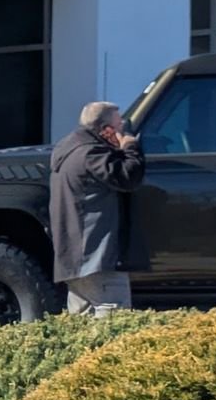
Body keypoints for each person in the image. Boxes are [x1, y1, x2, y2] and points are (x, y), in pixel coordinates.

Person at [49, 99, 147, 314]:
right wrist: (130, 147)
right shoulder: (92, 154)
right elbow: (128, 177)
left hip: (76, 261)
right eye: (120, 125)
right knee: (113, 324)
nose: (124, 130)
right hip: (98, 258)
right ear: (106, 130)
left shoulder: (70, 152)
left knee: (81, 330)